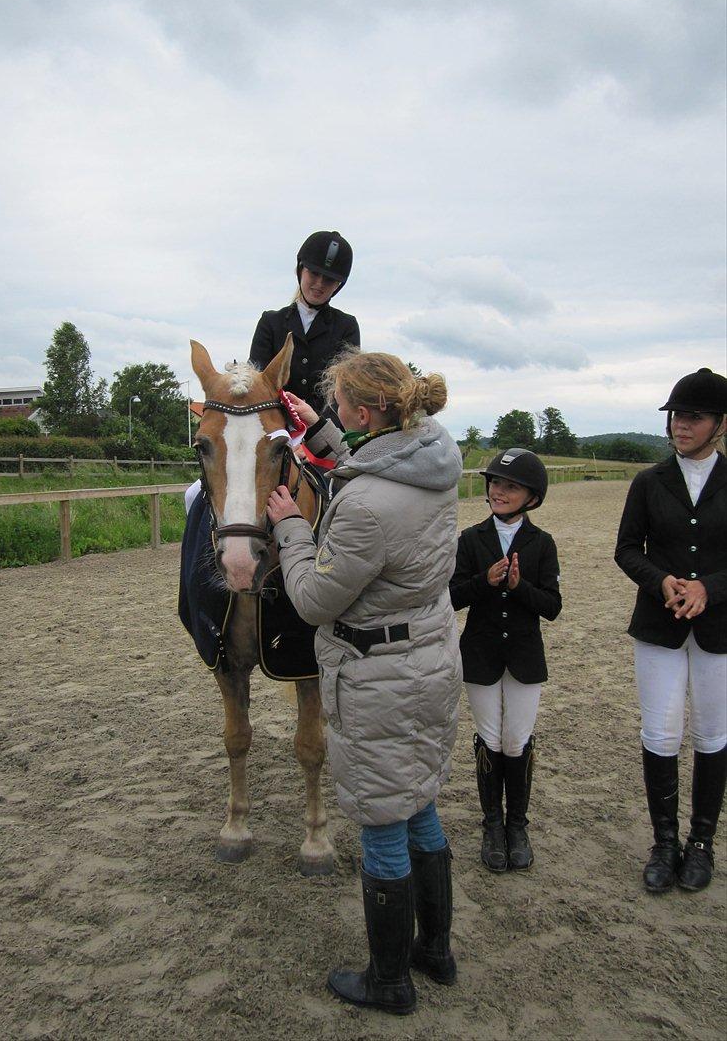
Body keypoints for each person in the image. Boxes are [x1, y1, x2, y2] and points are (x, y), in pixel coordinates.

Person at [265, 350, 463, 1016]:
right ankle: (434, 951)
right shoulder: (435, 455)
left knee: (382, 820)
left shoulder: (366, 509)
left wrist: (292, 528)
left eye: (342, 405)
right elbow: (374, 456)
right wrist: (312, 429)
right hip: (431, 659)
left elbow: (316, 601)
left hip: (380, 675)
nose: (337, 415)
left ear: (368, 410)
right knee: (420, 805)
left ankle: (389, 981)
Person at [615, 367, 727, 894]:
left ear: (718, 425)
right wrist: (661, 580)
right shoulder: (648, 481)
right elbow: (626, 550)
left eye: (694, 417)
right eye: (676, 416)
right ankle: (665, 841)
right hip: (659, 625)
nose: (681, 425)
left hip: (718, 627)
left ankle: (701, 844)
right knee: (660, 733)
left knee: (710, 735)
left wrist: (709, 587)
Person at [449, 450, 561, 873]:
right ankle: (492, 825)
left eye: (510, 485)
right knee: (490, 739)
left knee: (517, 741)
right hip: (479, 653)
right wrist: (485, 581)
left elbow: (552, 606)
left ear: (532, 496)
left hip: (525, 656)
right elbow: (452, 597)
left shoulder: (542, 543)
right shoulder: (471, 539)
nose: (498, 490)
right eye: (495, 482)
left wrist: (517, 587)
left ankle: (518, 825)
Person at [249, 231, 359, 415]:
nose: (319, 284)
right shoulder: (270, 322)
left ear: (338, 284)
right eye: (314, 273)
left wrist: (318, 430)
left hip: (325, 429)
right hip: (274, 427)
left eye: (329, 279)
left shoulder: (346, 327)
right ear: (300, 269)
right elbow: (258, 383)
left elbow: (344, 390)